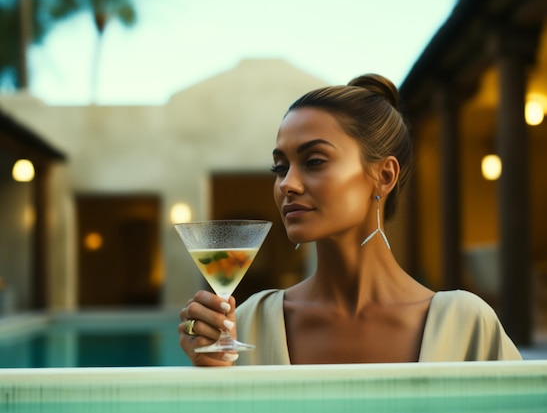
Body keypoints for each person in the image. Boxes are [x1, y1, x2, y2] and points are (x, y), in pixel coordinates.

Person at [179, 73, 522, 366]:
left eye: (314, 161)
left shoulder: (465, 325)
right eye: (280, 167)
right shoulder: (250, 324)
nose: (287, 184)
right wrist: (211, 372)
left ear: (384, 176)